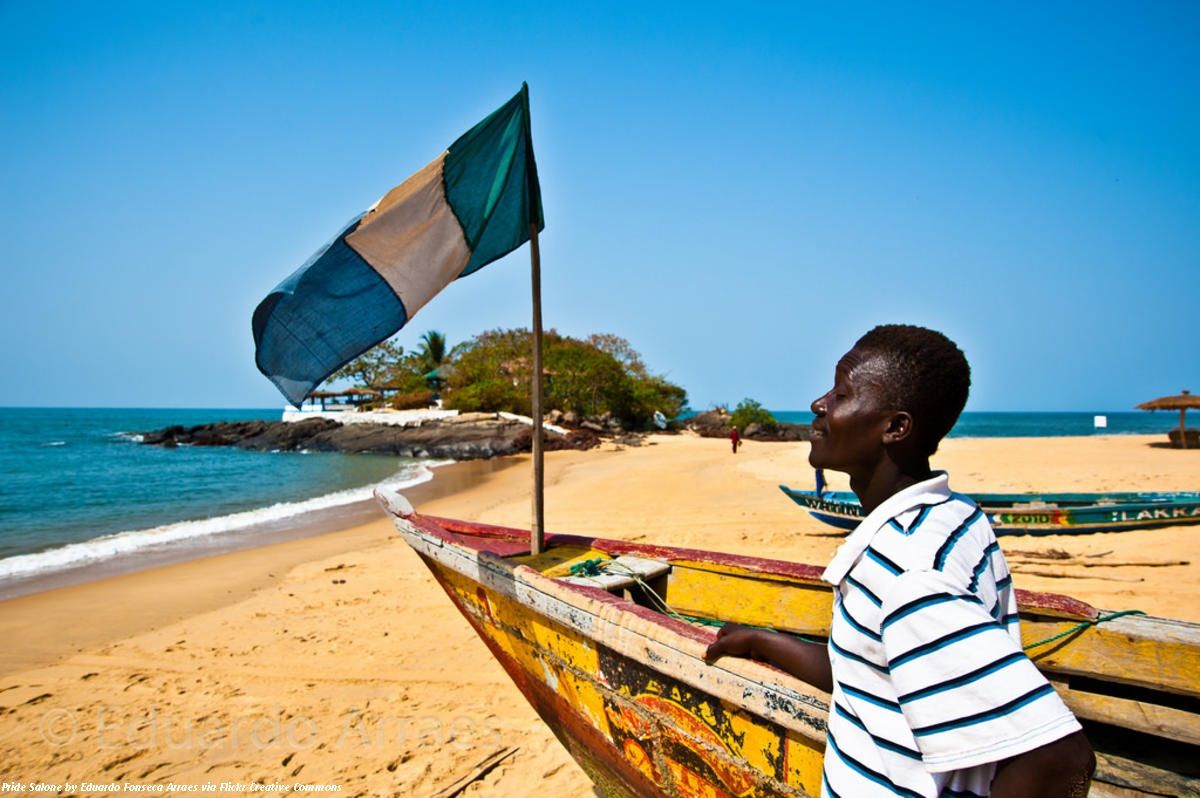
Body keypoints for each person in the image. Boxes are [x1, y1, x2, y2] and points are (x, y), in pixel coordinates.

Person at [705, 324, 1094, 798]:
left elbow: (1058, 757)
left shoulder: (906, 572)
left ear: (895, 428)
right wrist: (763, 642)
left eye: (842, 393)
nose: (819, 404)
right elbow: (878, 671)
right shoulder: (957, 516)